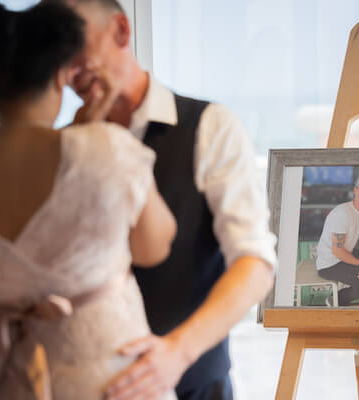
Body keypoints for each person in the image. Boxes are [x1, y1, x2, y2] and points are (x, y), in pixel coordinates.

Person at [0, 1, 178, 399]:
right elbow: (153, 246)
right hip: (103, 375)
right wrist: (97, 140)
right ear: (60, 76)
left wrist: (85, 138)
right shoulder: (107, 150)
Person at [44, 1, 277, 399]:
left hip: (195, 384)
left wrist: (178, 351)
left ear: (120, 30)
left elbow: (254, 263)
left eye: (73, 41)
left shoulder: (210, 126)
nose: (68, 65)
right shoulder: (62, 148)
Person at [316, 174, 359, 306]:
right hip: (329, 263)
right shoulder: (342, 213)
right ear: (355, 190)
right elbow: (338, 251)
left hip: (345, 255)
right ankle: (337, 300)